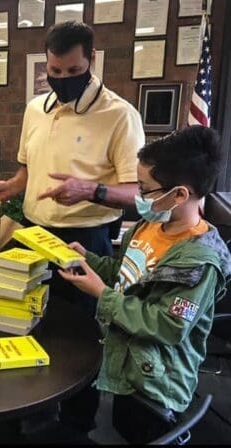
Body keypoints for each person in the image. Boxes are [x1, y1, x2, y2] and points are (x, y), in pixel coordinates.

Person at [0, 21, 144, 436]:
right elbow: (26, 169)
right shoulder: (37, 108)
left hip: (84, 240)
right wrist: (10, 187)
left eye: (73, 72)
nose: (63, 80)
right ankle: (31, 410)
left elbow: (139, 193)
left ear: (91, 61)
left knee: (79, 339)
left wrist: (92, 189)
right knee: (26, 320)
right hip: (31, 232)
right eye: (55, 72)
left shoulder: (120, 114)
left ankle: (77, 424)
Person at [59, 125, 231, 443]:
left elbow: (167, 325)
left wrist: (101, 294)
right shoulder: (148, 225)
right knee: (120, 424)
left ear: (179, 194)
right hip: (126, 364)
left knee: (139, 432)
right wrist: (92, 262)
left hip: (155, 384)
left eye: (145, 188)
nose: (138, 197)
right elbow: (129, 275)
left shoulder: (197, 261)